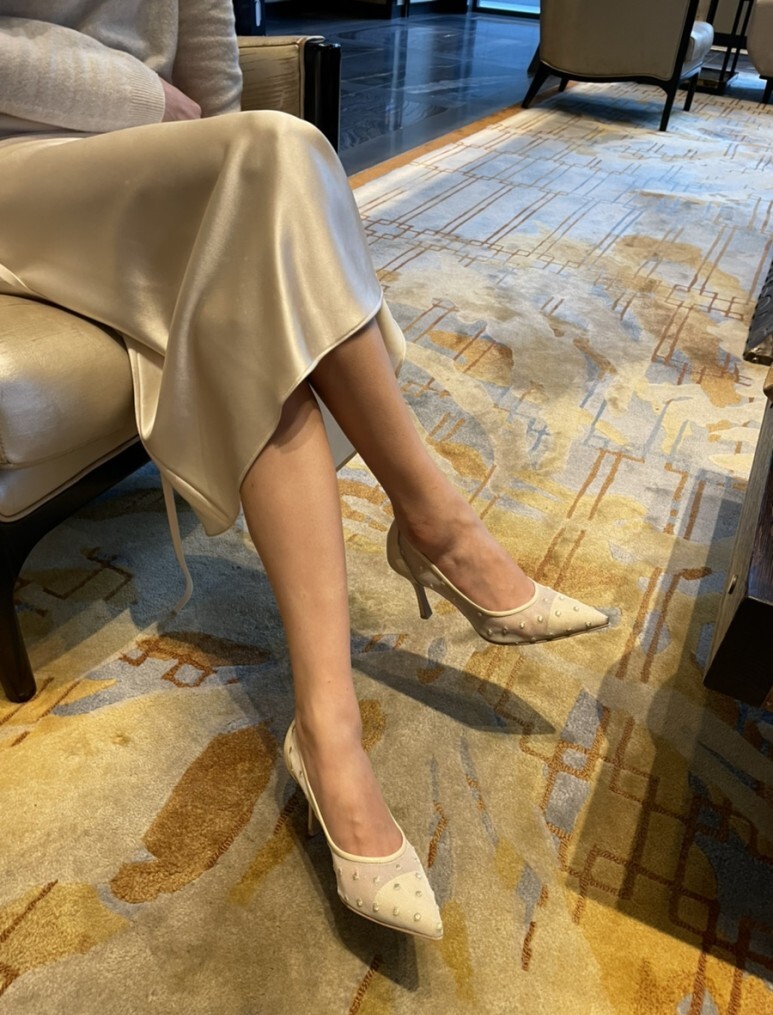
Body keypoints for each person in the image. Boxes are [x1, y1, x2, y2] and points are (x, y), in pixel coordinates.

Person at [0, 1, 608, 941]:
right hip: (17, 162)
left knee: (269, 175)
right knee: (276, 156)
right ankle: (437, 530)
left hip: (145, 160)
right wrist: (150, 102)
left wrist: (206, 144)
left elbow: (207, 51)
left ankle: (330, 726)